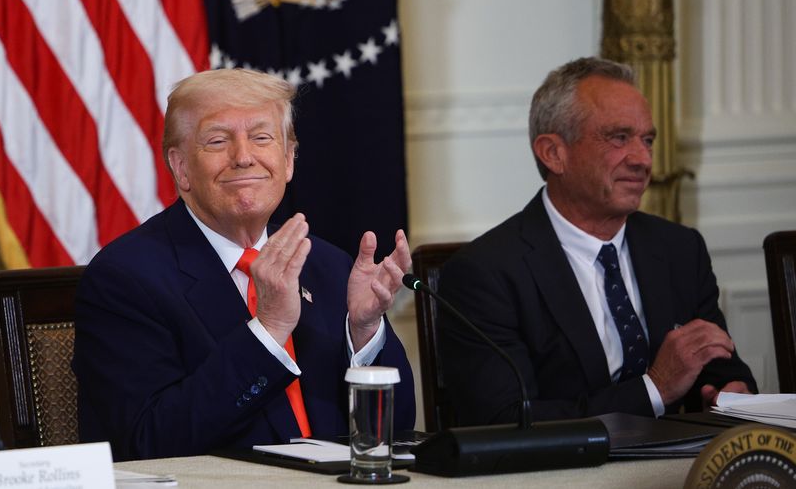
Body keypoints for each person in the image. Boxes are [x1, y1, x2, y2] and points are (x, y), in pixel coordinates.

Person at [73, 68, 416, 461]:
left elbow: (397, 431)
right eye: (218, 141)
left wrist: (364, 333)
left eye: (261, 137)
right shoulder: (124, 279)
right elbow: (148, 442)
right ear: (181, 168)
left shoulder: (327, 265)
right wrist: (268, 330)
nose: (243, 157)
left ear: (288, 160)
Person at [438, 57, 755, 426]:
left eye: (647, 140)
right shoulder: (486, 274)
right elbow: (504, 421)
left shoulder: (680, 249)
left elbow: (721, 368)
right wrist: (654, 390)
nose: (642, 160)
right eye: (619, 138)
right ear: (554, 153)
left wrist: (730, 394)